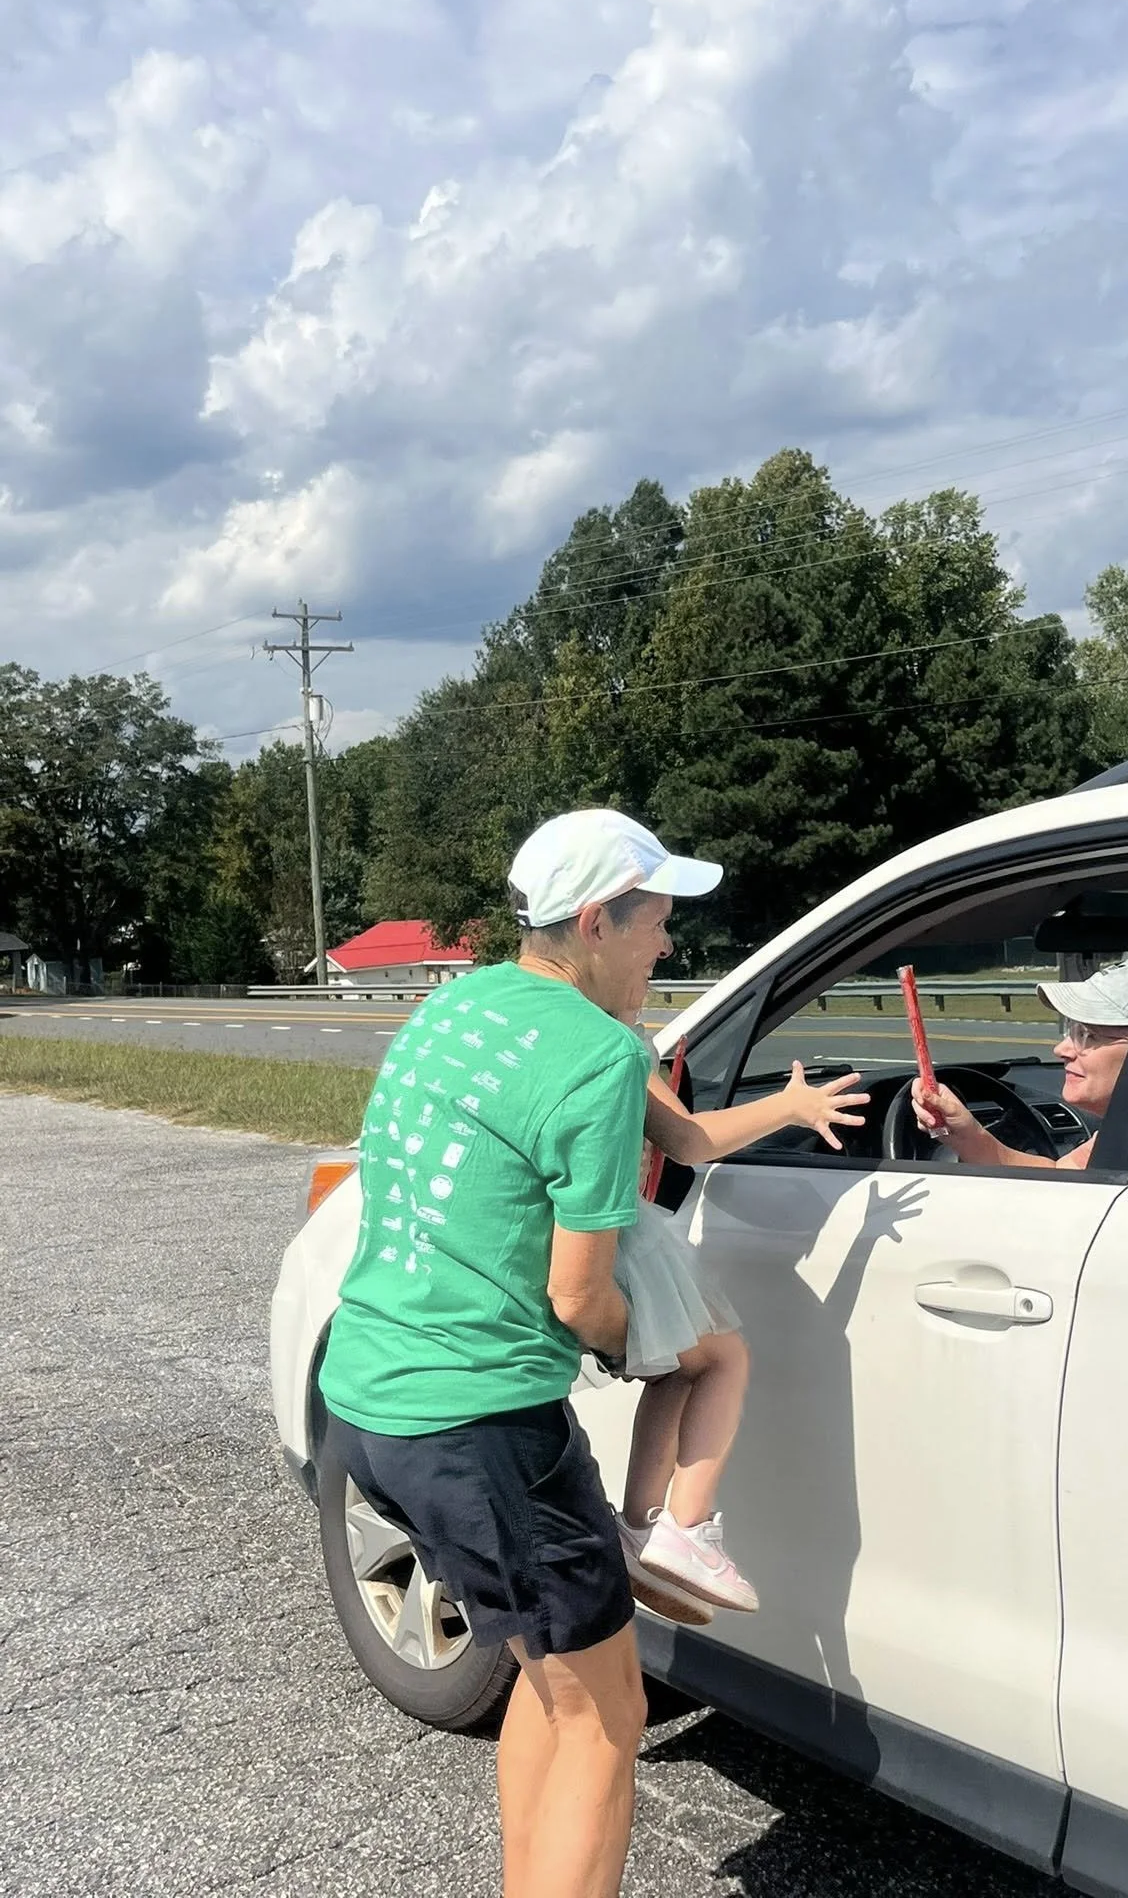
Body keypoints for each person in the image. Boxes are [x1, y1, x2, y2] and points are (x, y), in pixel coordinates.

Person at [318, 807, 721, 1898]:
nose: (668, 946)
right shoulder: (596, 1054)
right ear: (597, 921)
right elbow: (580, 1291)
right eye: (657, 924)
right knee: (609, 1717)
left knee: (553, 1687)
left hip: (370, 1395)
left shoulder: (459, 1006)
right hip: (482, 1426)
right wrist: (658, 1347)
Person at [607, 1049, 868, 1619]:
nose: (664, 953)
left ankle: (640, 1525)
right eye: (651, 954)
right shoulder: (615, 1040)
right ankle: (688, 1525)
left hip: (608, 1232)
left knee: (679, 1368)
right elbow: (692, 1140)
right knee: (725, 1359)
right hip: (621, 1232)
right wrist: (790, 1105)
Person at [911, 954, 1128, 1170]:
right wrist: (967, 1135)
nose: (1061, 1049)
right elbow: (1062, 1175)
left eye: (1088, 1035)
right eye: (1070, 1031)